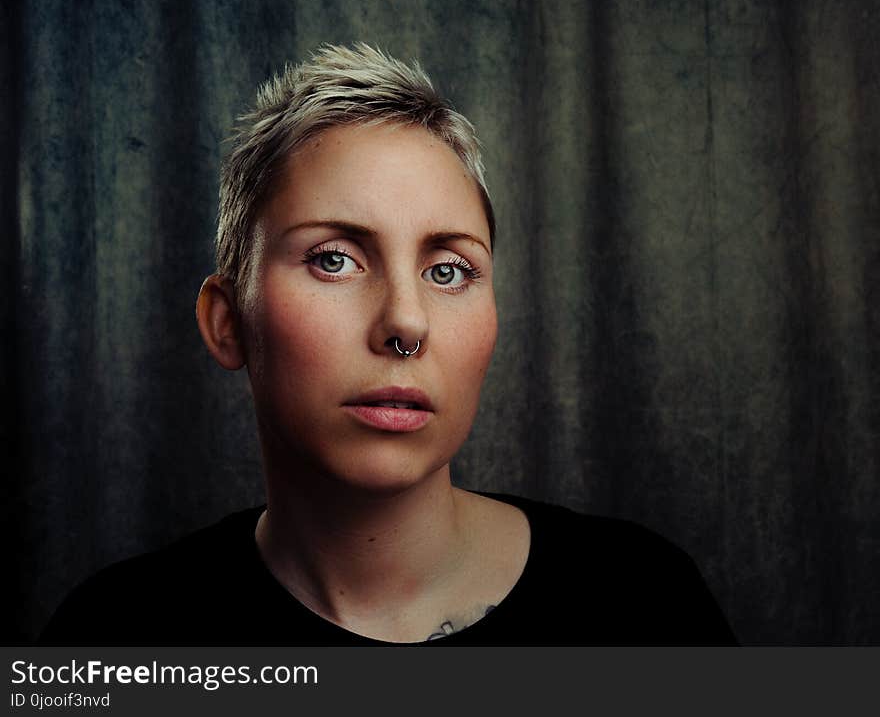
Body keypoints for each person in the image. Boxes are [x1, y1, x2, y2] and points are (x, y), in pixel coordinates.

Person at [40, 44, 736, 645]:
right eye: (334, 259)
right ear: (228, 322)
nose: (407, 322)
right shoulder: (114, 638)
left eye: (448, 270)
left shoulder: (646, 604)